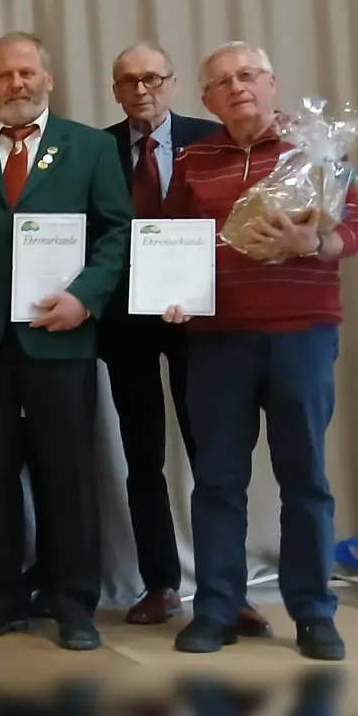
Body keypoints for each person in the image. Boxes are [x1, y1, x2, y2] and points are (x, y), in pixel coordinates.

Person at [0, 31, 133, 651]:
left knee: (68, 474)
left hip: (60, 338)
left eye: (25, 73)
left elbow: (117, 234)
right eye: (1, 75)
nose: (13, 84)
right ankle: (1, 596)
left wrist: (85, 297)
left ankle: (73, 603)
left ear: (48, 77)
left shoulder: (89, 148)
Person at [163, 42, 358, 662]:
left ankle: (313, 614)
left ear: (272, 82)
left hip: (301, 333)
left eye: (248, 75)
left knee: (304, 478)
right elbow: (173, 240)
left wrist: (316, 237)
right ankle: (217, 609)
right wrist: (169, 293)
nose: (238, 88)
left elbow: (353, 230)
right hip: (217, 342)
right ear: (207, 101)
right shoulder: (194, 159)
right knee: (217, 480)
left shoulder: (317, 151)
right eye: (222, 82)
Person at [98, 42, 241, 628]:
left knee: (212, 454)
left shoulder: (214, 139)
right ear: (116, 90)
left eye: (152, 78)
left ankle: (225, 585)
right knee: (142, 457)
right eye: (129, 81)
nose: (141, 90)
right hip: (126, 321)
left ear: (174, 82)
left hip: (199, 319)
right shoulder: (97, 148)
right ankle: (160, 582)